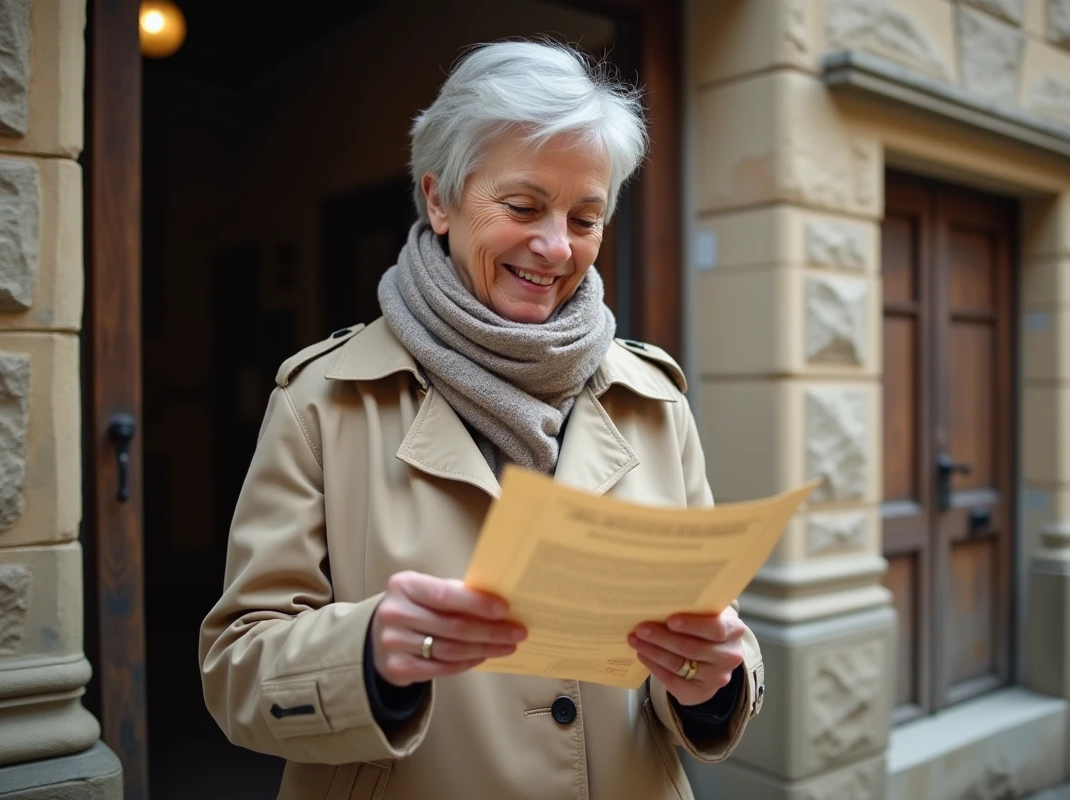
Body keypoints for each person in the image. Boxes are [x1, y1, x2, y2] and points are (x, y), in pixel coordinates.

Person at [198, 40, 765, 800]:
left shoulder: (656, 399)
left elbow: (708, 631)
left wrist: (714, 680)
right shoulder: (321, 398)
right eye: (524, 206)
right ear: (439, 198)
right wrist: (367, 654)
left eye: (586, 217)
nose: (558, 247)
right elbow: (236, 672)